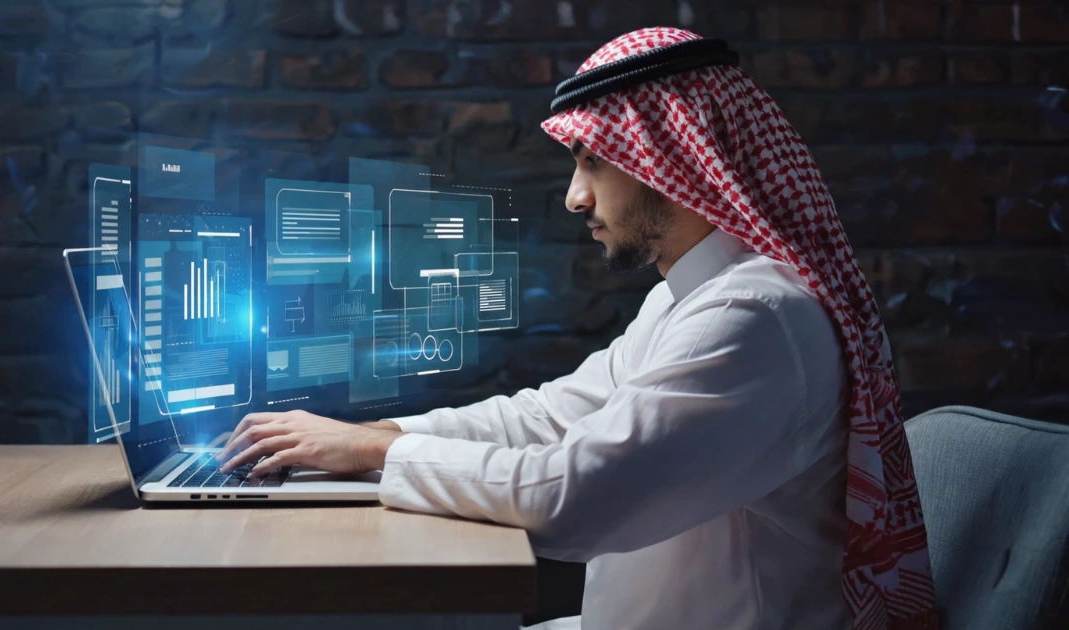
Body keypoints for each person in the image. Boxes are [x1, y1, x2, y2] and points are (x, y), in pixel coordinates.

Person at [218, 27, 939, 630]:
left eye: (595, 163)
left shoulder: (753, 319)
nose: (574, 197)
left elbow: (572, 501)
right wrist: (365, 437)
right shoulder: (691, 302)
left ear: (674, 162)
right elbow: (545, 418)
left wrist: (375, 452)